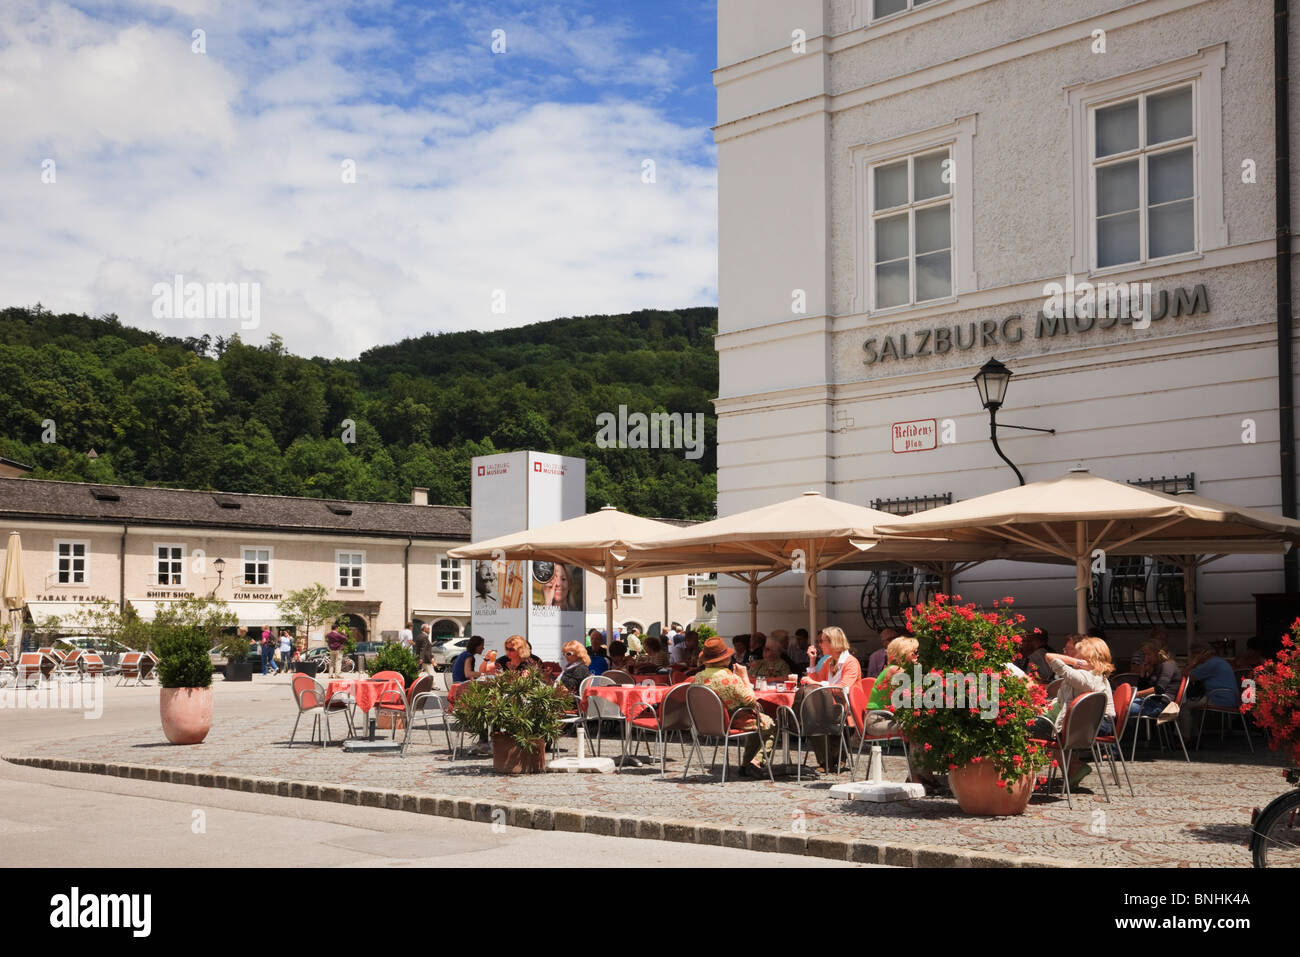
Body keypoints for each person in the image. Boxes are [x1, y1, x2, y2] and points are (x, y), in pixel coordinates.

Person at [1033, 635, 1117, 789]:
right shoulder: (1093, 676)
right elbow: (1060, 702)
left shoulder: (1085, 677)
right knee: (1047, 729)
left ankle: (1073, 767)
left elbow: (1049, 657)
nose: (1071, 655)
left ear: (1087, 656)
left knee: (1026, 730)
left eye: (1077, 653)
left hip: (1094, 724)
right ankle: (1073, 768)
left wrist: (1077, 663)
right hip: (1089, 721)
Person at [690, 636, 777, 777]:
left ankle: (745, 764)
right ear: (726, 659)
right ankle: (755, 762)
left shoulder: (697, 677)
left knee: (758, 722)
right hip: (732, 720)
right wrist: (744, 677)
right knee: (770, 723)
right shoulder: (730, 678)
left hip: (705, 723)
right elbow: (751, 702)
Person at [797, 627, 861, 772]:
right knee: (810, 716)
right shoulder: (829, 662)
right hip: (830, 706)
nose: (819, 644)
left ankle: (828, 761)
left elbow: (844, 688)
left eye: (821, 641)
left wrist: (819, 684)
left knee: (812, 717)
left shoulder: (851, 662)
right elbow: (816, 682)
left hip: (846, 707)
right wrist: (812, 660)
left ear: (833, 642)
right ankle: (828, 760)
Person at [1130, 641, 1181, 717]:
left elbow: (1159, 688)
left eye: (1149, 654)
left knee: (1126, 707)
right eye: (1144, 654)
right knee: (1122, 704)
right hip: (1151, 701)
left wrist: (1134, 695)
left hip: (1163, 705)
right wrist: (1143, 672)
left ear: (1158, 654)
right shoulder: (1156, 666)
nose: (1146, 658)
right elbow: (1143, 689)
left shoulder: (1168, 665)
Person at [1186, 643, 1240, 709]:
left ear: (1202, 653)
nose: (1192, 657)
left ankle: (1188, 720)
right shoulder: (1217, 661)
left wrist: (1194, 662)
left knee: (1184, 704)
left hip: (1220, 699)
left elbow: (1185, 676)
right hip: (1230, 698)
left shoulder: (1210, 664)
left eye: (1193, 655)